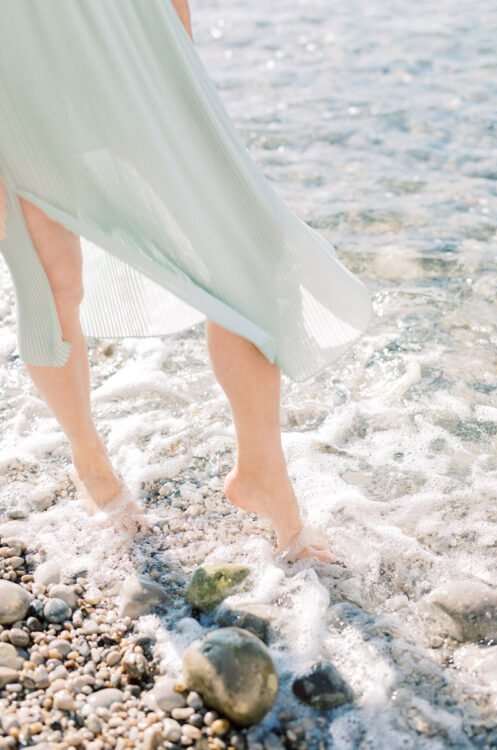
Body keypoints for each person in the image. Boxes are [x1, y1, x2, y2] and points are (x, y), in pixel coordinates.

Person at [0, 0, 372, 562]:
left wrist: (179, 48)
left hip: (132, 35)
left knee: (248, 249)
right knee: (52, 284)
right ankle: (92, 466)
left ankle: (262, 473)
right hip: (16, 65)